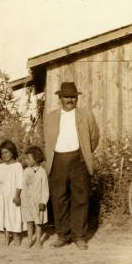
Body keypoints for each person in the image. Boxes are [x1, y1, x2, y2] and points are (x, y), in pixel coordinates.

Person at [43, 82, 100, 250]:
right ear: (60, 98)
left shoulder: (86, 115)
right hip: (57, 161)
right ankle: (62, 235)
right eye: (67, 97)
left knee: (80, 198)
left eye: (73, 97)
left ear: (76, 98)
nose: (70, 100)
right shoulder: (51, 117)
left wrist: (85, 153)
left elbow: (94, 137)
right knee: (59, 199)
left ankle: (79, 236)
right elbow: (46, 139)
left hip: (79, 160)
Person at [0, 140, 23, 246]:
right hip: (2, 196)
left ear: (12, 152)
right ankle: (6, 236)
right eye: (2, 153)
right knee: (3, 215)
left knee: (14, 215)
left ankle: (16, 236)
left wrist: (17, 195)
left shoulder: (17, 166)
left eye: (6, 152)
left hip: (13, 195)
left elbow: (20, 181)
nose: (4, 155)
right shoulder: (1, 167)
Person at [20, 146, 49, 249]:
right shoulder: (26, 171)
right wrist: (21, 197)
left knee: (38, 221)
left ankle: (38, 241)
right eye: (26, 159)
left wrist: (43, 202)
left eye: (29, 159)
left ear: (36, 159)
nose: (26, 161)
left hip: (38, 201)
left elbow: (45, 189)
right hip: (27, 200)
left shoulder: (42, 172)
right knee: (29, 220)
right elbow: (22, 185)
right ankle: (29, 239)